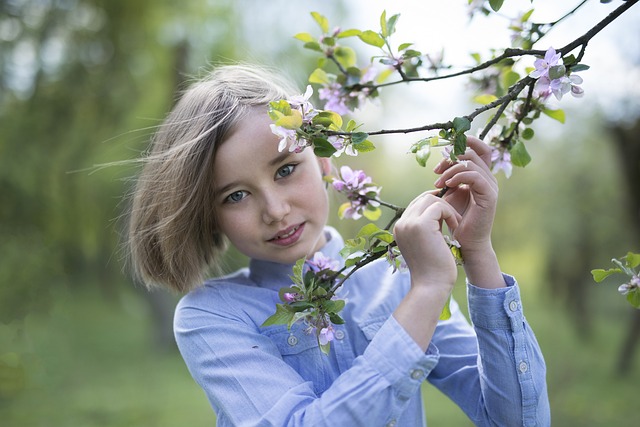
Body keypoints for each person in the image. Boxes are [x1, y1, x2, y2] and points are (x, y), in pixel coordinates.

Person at [127, 64, 550, 426]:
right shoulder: (212, 315)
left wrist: (476, 252)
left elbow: (516, 419)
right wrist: (426, 292)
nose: (274, 210)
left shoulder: (395, 276)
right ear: (209, 214)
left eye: (286, 169)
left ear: (324, 161)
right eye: (235, 195)